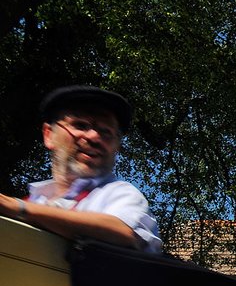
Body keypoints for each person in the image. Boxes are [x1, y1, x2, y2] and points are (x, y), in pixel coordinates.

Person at [0, 85, 161, 252]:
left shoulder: (119, 194)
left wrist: (17, 208)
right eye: (80, 125)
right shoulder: (34, 199)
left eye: (106, 132)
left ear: (116, 146)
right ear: (48, 135)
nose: (94, 137)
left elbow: (125, 233)